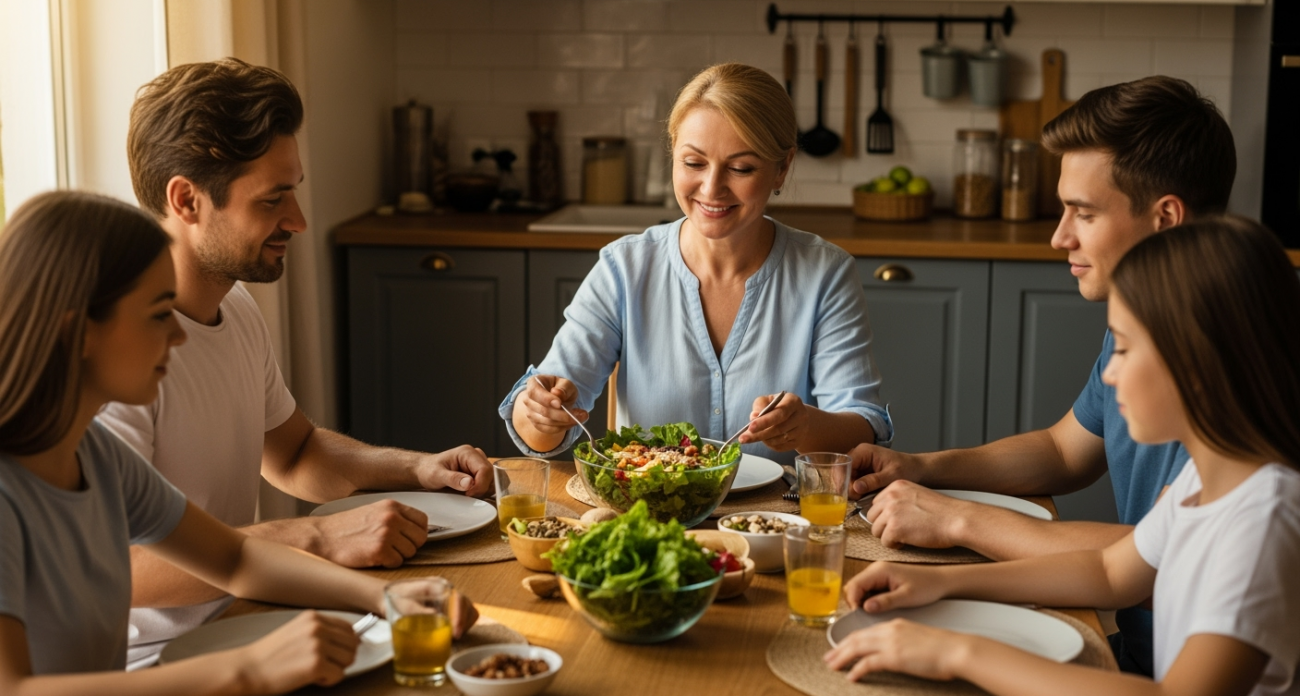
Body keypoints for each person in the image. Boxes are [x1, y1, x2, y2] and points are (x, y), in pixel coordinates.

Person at [0, 191, 476, 695]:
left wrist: (386, 599)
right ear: (80, 333)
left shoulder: (96, 454)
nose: (179, 338)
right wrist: (250, 670)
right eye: (159, 314)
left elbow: (235, 560)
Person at [95, 58, 491, 664]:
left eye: (294, 191)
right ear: (187, 199)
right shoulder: (116, 356)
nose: (299, 221)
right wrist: (318, 536)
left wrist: (417, 469)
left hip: (248, 616)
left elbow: (295, 454)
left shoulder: (237, 307)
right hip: (152, 663)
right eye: (272, 199)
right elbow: (116, 567)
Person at [844, 76, 1236, 674]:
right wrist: (922, 468)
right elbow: (1066, 449)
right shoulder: (1142, 328)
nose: (1059, 236)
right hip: (1133, 656)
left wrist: (955, 518)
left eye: (1084, 212)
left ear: (1166, 219)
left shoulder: (1233, 374)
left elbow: (1157, 560)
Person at [827, 217, 1300, 696]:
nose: (1109, 377)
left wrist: (956, 652)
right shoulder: (1208, 478)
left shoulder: (1263, 519)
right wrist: (942, 584)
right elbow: (1110, 573)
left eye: (1126, 350)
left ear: (1199, 367)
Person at [500, 62, 892, 463]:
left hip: (778, 519)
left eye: (741, 168)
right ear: (673, 153)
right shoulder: (624, 269)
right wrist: (542, 414)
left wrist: (805, 426)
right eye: (693, 163)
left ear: (782, 168)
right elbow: (540, 426)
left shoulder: (825, 273)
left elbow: (862, 429)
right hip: (651, 518)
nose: (711, 188)